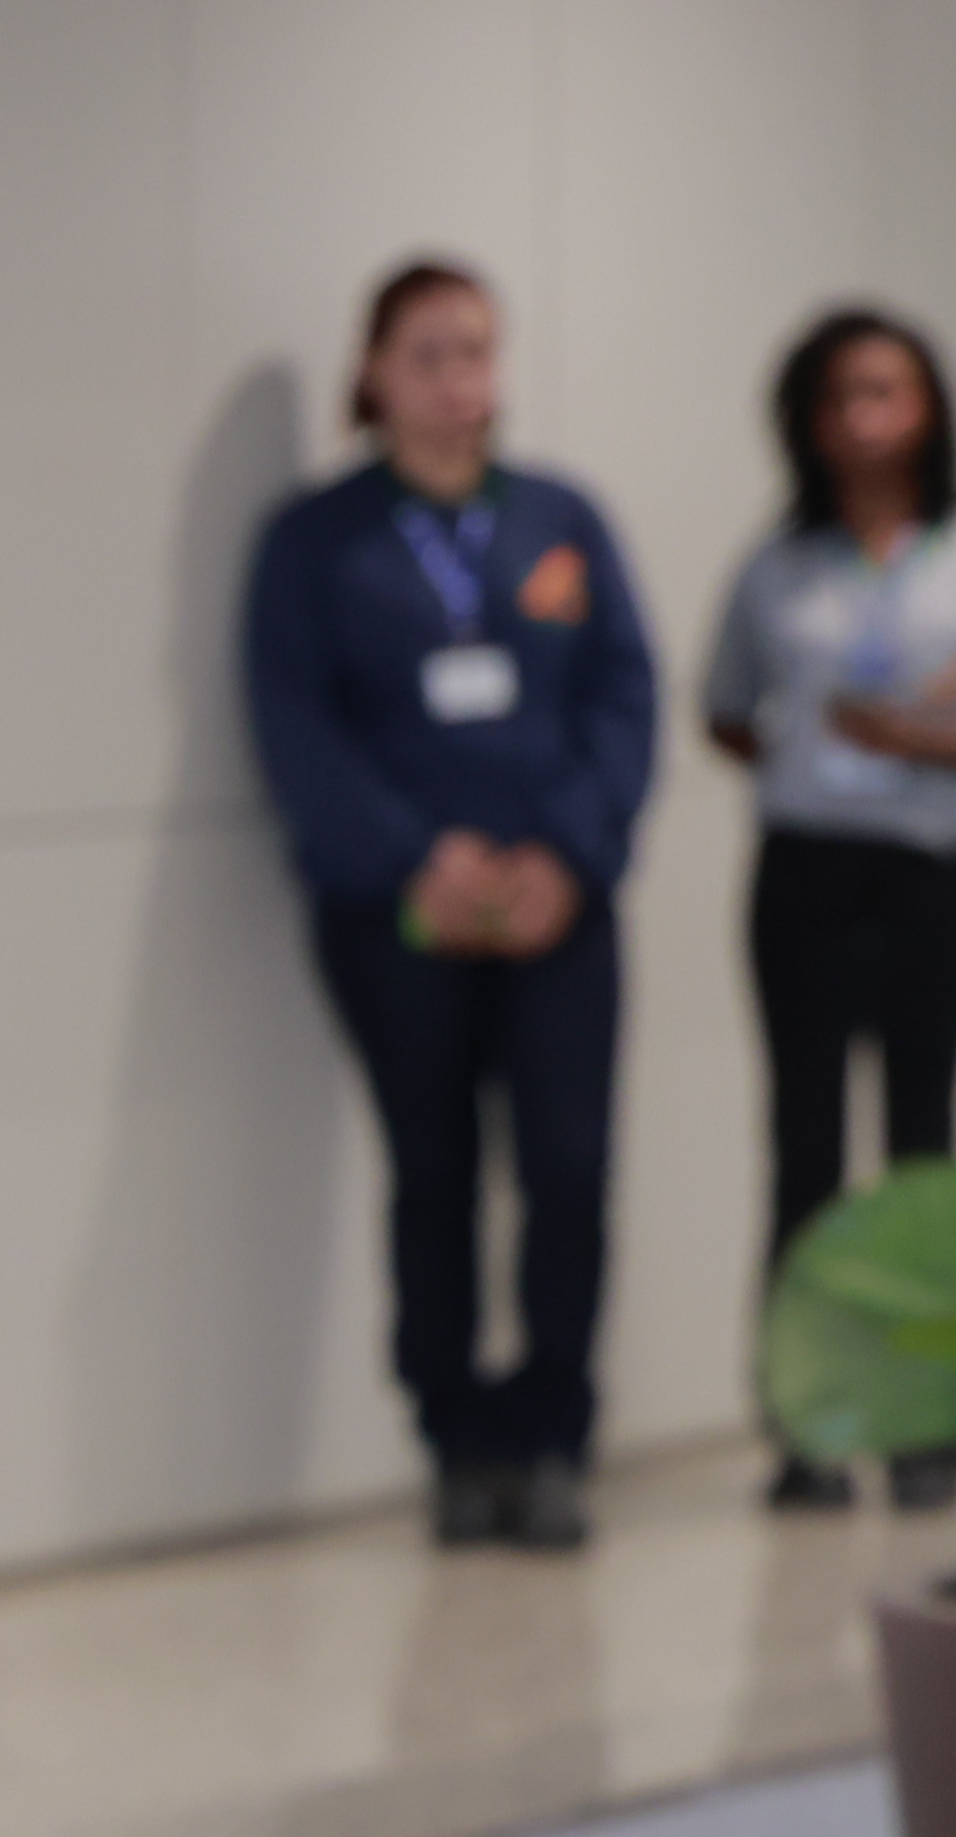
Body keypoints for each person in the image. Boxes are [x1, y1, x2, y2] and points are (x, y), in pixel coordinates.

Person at [244, 256, 658, 1553]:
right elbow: (296, 725)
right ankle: (457, 1439)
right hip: (399, 916)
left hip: (558, 912)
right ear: (374, 373)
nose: (456, 380)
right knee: (433, 1176)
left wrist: (565, 857)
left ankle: (553, 1438)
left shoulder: (559, 520)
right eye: (426, 354)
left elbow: (623, 697)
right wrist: (418, 858)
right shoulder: (317, 541)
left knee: (569, 1172)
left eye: (475, 350)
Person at [706, 308, 956, 1512]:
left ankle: (929, 1424)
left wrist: (916, 737)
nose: (864, 418)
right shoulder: (778, 563)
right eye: (840, 396)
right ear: (805, 421)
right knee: (803, 1147)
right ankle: (806, 1427)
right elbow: (726, 710)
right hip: (805, 874)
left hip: (927, 872)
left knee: (923, 1144)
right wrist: (819, 761)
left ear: (930, 409)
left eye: (887, 390)